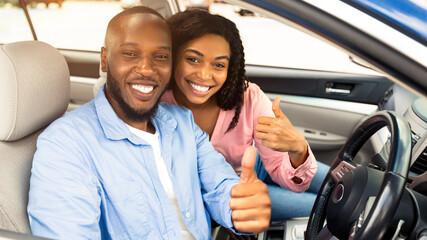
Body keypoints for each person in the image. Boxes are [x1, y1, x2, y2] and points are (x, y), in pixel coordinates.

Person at [27, 6, 271, 240]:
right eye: (131, 53)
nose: (146, 68)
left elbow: (219, 185)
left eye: (160, 56)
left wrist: (240, 207)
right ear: (105, 59)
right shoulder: (66, 145)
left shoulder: (182, 122)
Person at [161, 10, 329, 220]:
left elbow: (287, 174)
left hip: (260, 162)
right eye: (193, 59)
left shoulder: (248, 98)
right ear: (173, 56)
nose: (204, 75)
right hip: (236, 189)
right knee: (328, 208)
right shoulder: (156, 105)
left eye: (219, 65)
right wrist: (229, 215)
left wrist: (297, 151)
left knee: (346, 181)